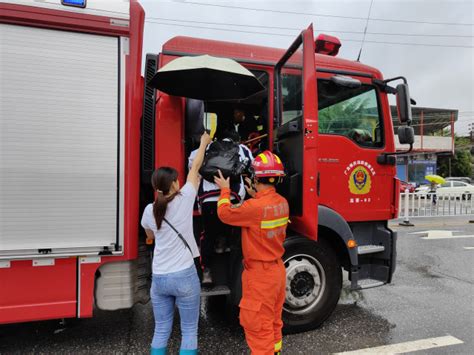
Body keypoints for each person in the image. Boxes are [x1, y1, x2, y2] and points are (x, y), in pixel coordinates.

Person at [141, 132, 212, 355]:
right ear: (174, 184)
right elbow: (196, 167)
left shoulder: (148, 211)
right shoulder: (185, 198)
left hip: (160, 278)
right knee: (189, 330)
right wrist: (203, 143)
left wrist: (154, 237)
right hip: (183, 275)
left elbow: (149, 234)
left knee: (161, 329)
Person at [214, 151, 289, 355]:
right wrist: (255, 195)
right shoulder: (282, 203)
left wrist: (224, 190)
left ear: (256, 178)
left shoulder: (253, 207)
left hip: (260, 277)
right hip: (277, 272)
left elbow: (224, 214)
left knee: (258, 329)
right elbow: (264, 212)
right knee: (273, 324)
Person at [188, 129, 253, 284]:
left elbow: (192, 163)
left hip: (208, 200)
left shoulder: (208, 147)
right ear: (235, 139)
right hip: (233, 197)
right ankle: (233, 274)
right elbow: (252, 166)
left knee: (208, 234)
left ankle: (207, 272)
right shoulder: (242, 149)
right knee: (235, 234)